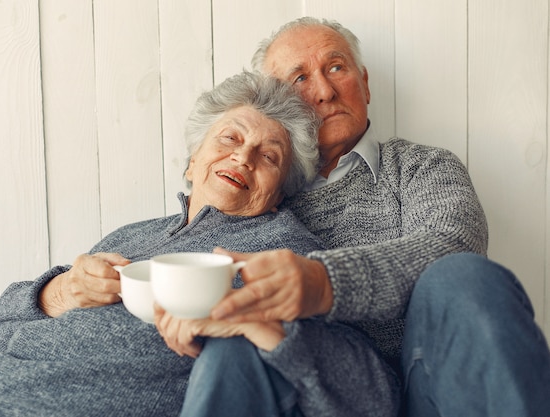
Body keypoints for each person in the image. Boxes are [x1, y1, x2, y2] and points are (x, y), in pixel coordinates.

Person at [0, 71, 399, 417]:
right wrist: (61, 291)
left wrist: (258, 323)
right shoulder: (131, 236)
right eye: (230, 138)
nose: (242, 156)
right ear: (193, 161)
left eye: (268, 156)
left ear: (279, 193)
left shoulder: (282, 254)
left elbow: (374, 391)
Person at [173, 17, 550, 417]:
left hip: (428, 382)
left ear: (365, 82)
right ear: (273, 102)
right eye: (299, 78)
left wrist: (324, 280)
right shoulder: (257, 187)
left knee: (464, 275)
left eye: (337, 67)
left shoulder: (420, 166)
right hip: (302, 387)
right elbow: (187, 242)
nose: (324, 90)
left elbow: (453, 242)